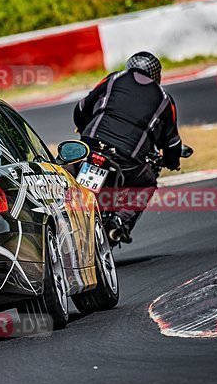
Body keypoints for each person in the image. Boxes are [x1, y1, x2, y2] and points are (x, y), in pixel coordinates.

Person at [73, 51, 182, 243]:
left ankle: (60, 209)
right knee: (147, 184)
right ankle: (119, 220)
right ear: (157, 75)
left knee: (67, 169)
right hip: (126, 158)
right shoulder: (165, 99)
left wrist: (84, 130)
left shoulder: (114, 78)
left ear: (129, 67)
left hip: (91, 145)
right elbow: (172, 142)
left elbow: (82, 108)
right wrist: (172, 162)